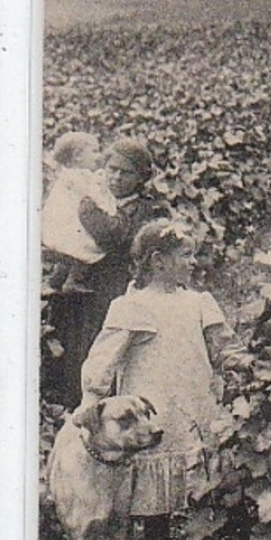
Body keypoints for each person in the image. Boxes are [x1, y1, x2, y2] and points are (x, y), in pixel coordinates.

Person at [75, 220, 245, 540]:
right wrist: (93, 401)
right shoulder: (132, 307)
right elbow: (103, 360)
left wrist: (246, 364)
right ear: (158, 261)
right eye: (185, 255)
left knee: (208, 490)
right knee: (155, 509)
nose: (193, 262)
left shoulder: (199, 302)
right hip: (153, 419)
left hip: (197, 410)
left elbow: (223, 349)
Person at [42, 138, 170, 408]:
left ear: (141, 177)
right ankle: (72, 409)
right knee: (75, 348)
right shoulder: (100, 195)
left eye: (127, 173)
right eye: (112, 169)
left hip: (113, 291)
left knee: (106, 352)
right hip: (83, 291)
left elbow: (116, 238)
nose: (117, 177)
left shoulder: (146, 209)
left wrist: (86, 206)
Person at [42, 131, 117, 293]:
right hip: (70, 223)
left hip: (65, 222)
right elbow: (91, 195)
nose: (99, 156)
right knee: (84, 249)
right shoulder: (77, 177)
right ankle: (72, 282)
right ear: (77, 157)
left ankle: (55, 282)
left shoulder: (69, 176)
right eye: (94, 151)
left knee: (70, 255)